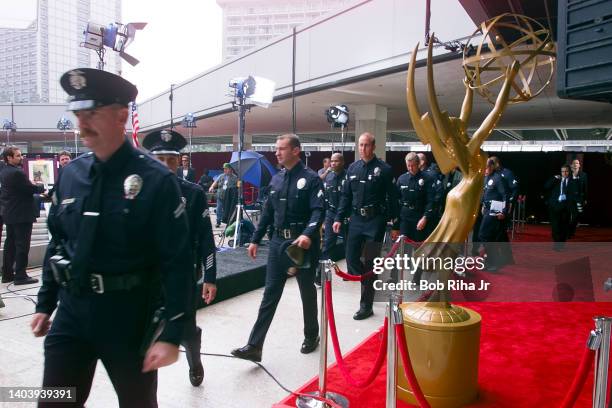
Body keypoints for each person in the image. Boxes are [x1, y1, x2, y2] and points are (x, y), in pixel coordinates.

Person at [30, 68, 194, 407]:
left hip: (129, 317)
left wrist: (172, 335)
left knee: (137, 404)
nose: (81, 123)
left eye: (91, 113)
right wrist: (46, 303)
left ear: (121, 116)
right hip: (72, 311)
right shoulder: (72, 175)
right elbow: (58, 242)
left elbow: (177, 263)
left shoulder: (156, 180)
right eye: (77, 114)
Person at [231, 133, 323, 362]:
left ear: (295, 151)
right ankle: (254, 346)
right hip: (277, 245)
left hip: (301, 245)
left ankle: (312, 335)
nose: (277, 152)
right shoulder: (276, 179)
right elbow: (267, 213)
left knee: (307, 293)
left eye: (282, 148)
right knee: (270, 295)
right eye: (277, 148)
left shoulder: (311, 179)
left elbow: (319, 211)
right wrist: (254, 238)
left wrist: (307, 234)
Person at [143, 129, 217, 387]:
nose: (165, 166)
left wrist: (210, 277)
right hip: (147, 276)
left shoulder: (194, 193)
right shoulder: (138, 191)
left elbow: (207, 238)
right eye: (159, 159)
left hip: (183, 276)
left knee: (186, 328)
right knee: (144, 335)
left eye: (171, 160)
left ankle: (194, 361)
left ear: (179, 162)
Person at [333, 132, 398, 320]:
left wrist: (396, 223)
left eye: (367, 145)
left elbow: (393, 197)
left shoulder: (384, 169)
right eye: (360, 145)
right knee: (351, 257)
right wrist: (338, 218)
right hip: (355, 220)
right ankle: (370, 278)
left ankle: (366, 305)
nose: (363, 148)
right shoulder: (352, 168)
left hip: (375, 220)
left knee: (370, 261)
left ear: (373, 146)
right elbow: (346, 196)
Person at [0, 146, 45, 285]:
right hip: (21, 214)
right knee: (22, 245)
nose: (21, 157)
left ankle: (7, 274)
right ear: (9, 157)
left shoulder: (4, 171)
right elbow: (30, 189)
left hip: (11, 213)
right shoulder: (17, 173)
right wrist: (40, 186)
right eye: (18, 155)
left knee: (11, 244)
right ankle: (20, 275)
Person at [318, 152, 347, 283]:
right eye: (332, 161)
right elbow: (325, 198)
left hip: (346, 216)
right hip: (331, 214)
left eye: (336, 161)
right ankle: (321, 276)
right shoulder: (328, 177)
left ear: (342, 162)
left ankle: (353, 272)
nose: (333, 163)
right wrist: (324, 218)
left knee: (350, 246)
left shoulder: (348, 177)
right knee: (328, 245)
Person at [393, 152, 434, 243]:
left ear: (418, 164)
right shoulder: (402, 179)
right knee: (404, 249)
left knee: (419, 249)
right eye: (408, 166)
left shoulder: (428, 179)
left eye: (413, 165)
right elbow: (396, 200)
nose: (410, 168)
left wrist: (425, 217)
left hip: (420, 217)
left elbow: (430, 201)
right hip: (405, 218)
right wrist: (395, 224)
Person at [479, 159, 508, 271]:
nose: (485, 170)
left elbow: (505, 195)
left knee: (483, 235)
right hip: (487, 209)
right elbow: (485, 193)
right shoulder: (486, 178)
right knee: (488, 237)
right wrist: (483, 205)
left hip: (495, 210)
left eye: (486, 167)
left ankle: (495, 261)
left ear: (492, 166)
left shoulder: (498, 178)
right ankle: (490, 262)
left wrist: (504, 211)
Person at [545, 165, 575, 250]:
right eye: (563, 171)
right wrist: (554, 178)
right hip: (555, 206)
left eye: (566, 171)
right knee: (555, 226)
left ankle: (561, 244)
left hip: (566, 206)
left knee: (564, 226)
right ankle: (556, 243)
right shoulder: (556, 180)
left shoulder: (573, 181)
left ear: (569, 172)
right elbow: (546, 186)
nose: (564, 173)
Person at [209, 163, 237, 228]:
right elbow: (215, 182)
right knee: (218, 208)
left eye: (226, 169)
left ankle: (229, 222)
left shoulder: (235, 178)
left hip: (228, 198)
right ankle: (218, 222)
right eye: (224, 169)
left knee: (227, 210)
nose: (224, 170)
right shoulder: (221, 176)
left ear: (230, 169)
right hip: (220, 195)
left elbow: (238, 187)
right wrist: (211, 187)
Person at [568, 158, 587, 238]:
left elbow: (585, 187)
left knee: (577, 215)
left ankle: (571, 230)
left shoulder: (583, 175)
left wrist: (585, 198)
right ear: (572, 165)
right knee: (571, 215)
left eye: (577, 163)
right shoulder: (568, 175)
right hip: (570, 198)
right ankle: (570, 232)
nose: (575, 164)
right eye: (574, 163)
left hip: (579, 199)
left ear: (579, 165)